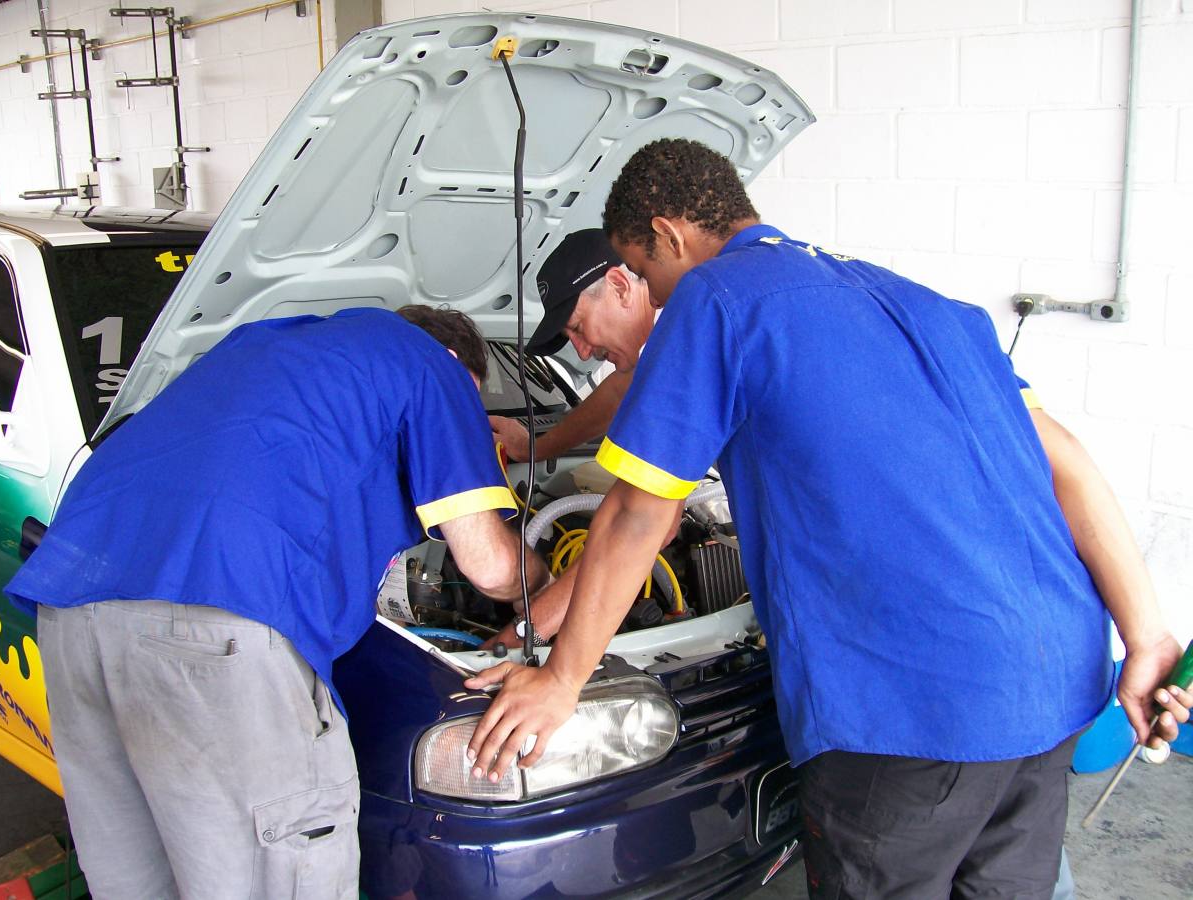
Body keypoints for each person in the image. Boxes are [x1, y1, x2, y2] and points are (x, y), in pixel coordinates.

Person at [462, 139, 1190, 897]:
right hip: (1052, 677)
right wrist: (1149, 636)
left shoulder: (715, 297)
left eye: (645, 273)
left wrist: (562, 678)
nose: (656, 299)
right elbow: (1067, 462)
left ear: (671, 235)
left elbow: (640, 518)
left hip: (912, 703)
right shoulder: (922, 301)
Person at [7, 305, 549, 899]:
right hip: (218, 623)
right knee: (283, 872)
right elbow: (491, 566)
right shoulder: (427, 364)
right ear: (453, 366)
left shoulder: (256, 345)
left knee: (140, 881)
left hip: (70, 611)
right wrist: (544, 582)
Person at [489, 228, 654, 462]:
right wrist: (532, 450)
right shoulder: (657, 358)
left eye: (577, 328)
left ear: (619, 288)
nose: (584, 354)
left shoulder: (692, 333)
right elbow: (616, 393)